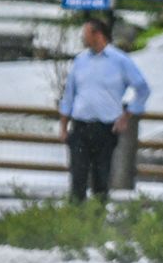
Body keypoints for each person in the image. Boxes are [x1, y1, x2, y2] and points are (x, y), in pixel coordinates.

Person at [56, 16, 150, 203]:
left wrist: (127, 115)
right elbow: (69, 95)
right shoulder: (80, 61)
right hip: (81, 126)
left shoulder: (120, 61)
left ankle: (97, 219)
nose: (83, 38)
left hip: (106, 127)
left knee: (101, 176)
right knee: (78, 176)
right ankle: (75, 219)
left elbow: (142, 88)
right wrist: (63, 125)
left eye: (86, 34)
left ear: (97, 34)